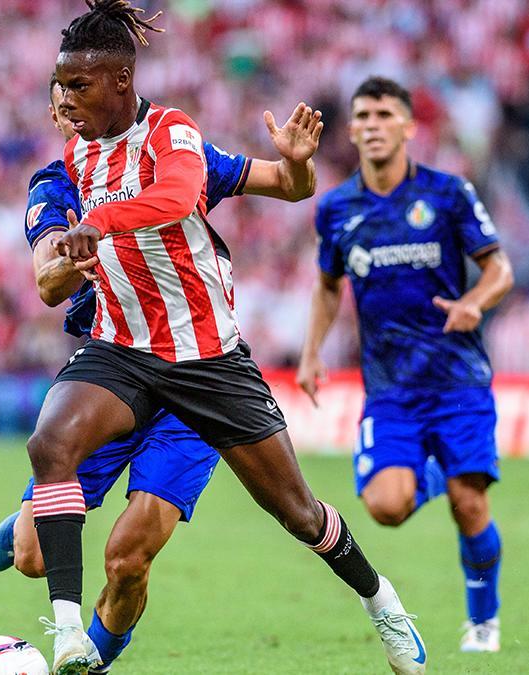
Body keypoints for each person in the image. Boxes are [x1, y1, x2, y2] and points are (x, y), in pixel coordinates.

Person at [32, 3, 426, 674]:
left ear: (120, 83)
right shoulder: (77, 156)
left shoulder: (173, 132)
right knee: (51, 443)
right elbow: (52, 277)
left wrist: (98, 222)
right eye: (60, 84)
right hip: (122, 350)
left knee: (300, 514)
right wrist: (68, 258)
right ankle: (68, 632)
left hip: (206, 358)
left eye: (77, 85)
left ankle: (383, 601)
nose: (62, 99)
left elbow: (180, 195)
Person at [0, 75, 323, 674]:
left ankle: (95, 660)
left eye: (81, 100)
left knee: (127, 558)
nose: (73, 114)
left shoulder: (174, 155)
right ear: (54, 115)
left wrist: (295, 166)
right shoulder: (56, 183)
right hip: (112, 374)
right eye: (62, 106)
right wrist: (73, 253)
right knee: (33, 557)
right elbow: (45, 283)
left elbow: (288, 186)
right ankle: (25, 522)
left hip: (192, 381)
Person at [297, 76, 515, 654]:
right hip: (390, 389)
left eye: (383, 114)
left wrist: (474, 302)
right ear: (352, 129)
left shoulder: (448, 194)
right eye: (361, 115)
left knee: (471, 507)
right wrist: (312, 351)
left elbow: (500, 270)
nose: (371, 124)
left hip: (457, 380)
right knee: (386, 507)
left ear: (408, 126)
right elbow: (326, 287)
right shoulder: (338, 208)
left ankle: (483, 623)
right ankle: (439, 470)